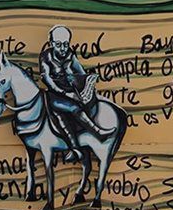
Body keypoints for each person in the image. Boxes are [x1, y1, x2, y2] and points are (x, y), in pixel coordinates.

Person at [39, 25, 116, 162]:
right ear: (51, 43)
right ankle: (95, 135)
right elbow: (47, 79)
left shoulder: (70, 54)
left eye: (66, 44)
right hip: (54, 95)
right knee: (73, 108)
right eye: (58, 45)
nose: (63, 48)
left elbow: (80, 72)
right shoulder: (45, 57)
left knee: (82, 104)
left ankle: (77, 147)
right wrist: (66, 94)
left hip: (71, 92)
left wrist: (87, 83)